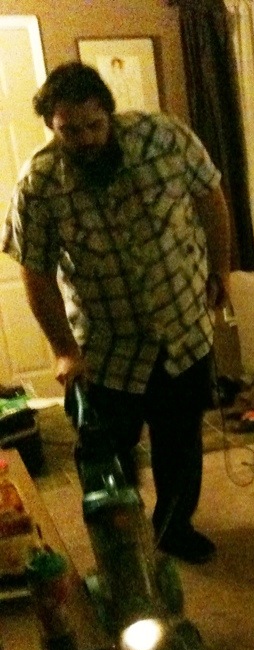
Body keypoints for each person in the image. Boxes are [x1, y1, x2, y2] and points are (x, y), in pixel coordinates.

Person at [1, 62, 231, 564]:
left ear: (109, 112)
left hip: (182, 324)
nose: (85, 139)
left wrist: (221, 270)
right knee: (104, 453)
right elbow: (35, 272)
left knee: (180, 442)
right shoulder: (38, 183)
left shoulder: (164, 138)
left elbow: (210, 197)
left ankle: (174, 528)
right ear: (52, 127)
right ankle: (121, 542)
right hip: (105, 347)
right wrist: (64, 350)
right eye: (69, 131)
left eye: (93, 125)